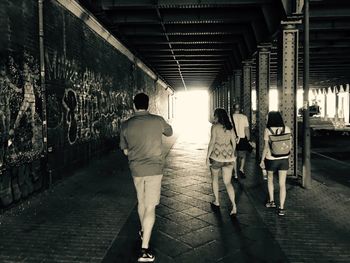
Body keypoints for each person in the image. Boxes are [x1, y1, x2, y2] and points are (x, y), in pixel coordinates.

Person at [120, 93, 173, 262]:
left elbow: (125, 150)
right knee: (150, 207)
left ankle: (143, 229)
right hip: (154, 169)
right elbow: (169, 132)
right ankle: (144, 250)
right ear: (148, 105)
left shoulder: (126, 124)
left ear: (134, 106)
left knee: (141, 202)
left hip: (136, 169)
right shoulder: (157, 120)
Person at [206, 108, 237, 216]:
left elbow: (212, 142)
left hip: (216, 157)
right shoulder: (230, 128)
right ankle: (234, 206)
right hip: (228, 158)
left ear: (217, 116)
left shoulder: (214, 127)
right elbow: (234, 142)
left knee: (214, 179)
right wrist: (232, 154)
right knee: (228, 182)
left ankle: (217, 201)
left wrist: (207, 156)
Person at [259, 111, 291, 216]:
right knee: (282, 184)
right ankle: (282, 208)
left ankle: (271, 201)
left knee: (270, 179)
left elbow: (266, 147)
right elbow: (289, 145)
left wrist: (262, 160)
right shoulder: (287, 129)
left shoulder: (267, 130)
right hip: (283, 159)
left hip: (271, 159)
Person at [231, 103, 250, 179]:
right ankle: (241, 169)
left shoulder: (230, 117)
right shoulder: (244, 117)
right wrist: (248, 139)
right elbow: (246, 129)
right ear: (240, 109)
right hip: (242, 138)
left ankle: (235, 173)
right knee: (243, 155)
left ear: (233, 109)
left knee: (234, 155)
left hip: (233, 138)